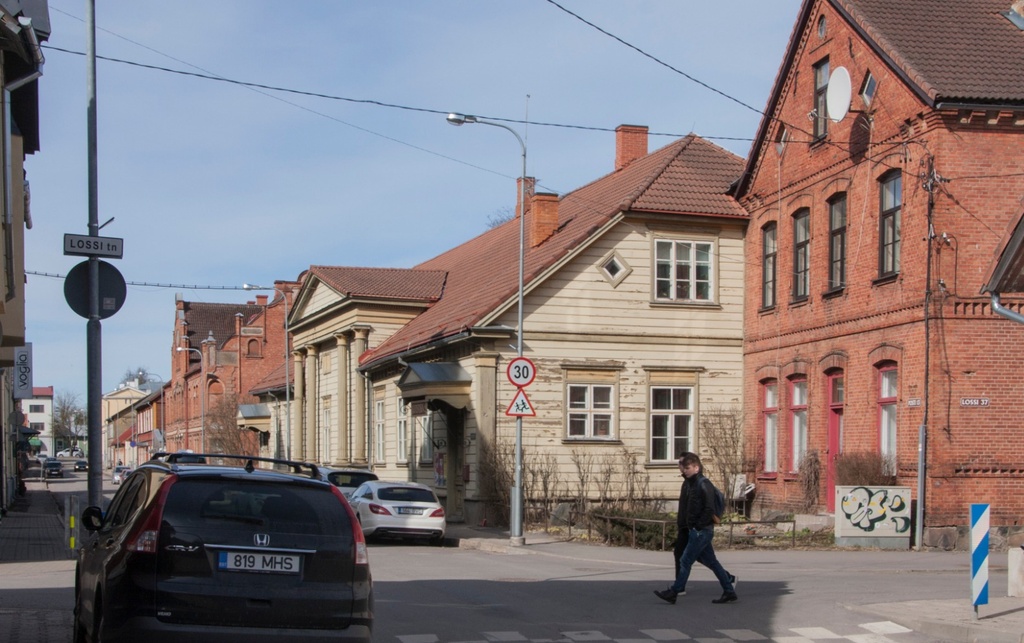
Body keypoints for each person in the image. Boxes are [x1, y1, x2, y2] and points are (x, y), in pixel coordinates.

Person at [654, 451, 738, 605]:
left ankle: (674, 592)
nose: (684, 470)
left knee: (685, 560)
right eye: (684, 468)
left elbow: (709, 508)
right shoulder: (691, 484)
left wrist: (698, 526)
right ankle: (729, 590)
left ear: (696, 468)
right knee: (712, 562)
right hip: (697, 530)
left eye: (688, 468)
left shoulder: (703, 484)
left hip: (701, 531)